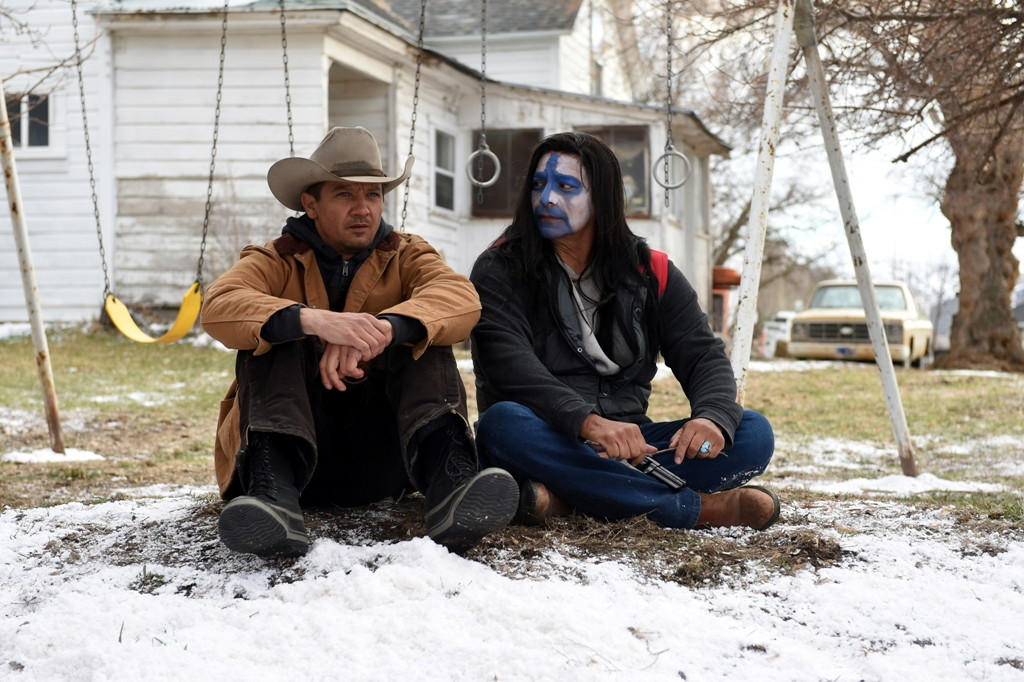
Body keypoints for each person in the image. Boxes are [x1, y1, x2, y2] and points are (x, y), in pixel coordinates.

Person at [201, 126, 519, 557]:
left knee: (424, 329)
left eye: (372, 195)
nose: (363, 208)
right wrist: (314, 321)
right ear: (310, 203)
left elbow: (461, 300)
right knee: (275, 332)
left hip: (387, 460)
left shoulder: (408, 253)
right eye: (345, 195)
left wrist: (385, 328)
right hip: (292, 468)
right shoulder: (275, 258)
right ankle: (272, 500)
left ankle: (453, 487)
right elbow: (219, 306)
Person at [470, 131, 779, 530]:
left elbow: (702, 354)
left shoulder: (652, 271)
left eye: (566, 186)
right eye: (537, 185)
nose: (546, 199)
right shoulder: (500, 268)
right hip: (548, 436)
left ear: (603, 197)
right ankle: (697, 510)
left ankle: (566, 498)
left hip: (633, 444)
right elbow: (510, 368)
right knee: (502, 424)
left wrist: (712, 418)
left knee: (752, 433)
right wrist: (588, 423)